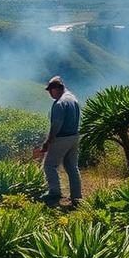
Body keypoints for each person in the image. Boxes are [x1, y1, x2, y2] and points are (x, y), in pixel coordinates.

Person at [33, 75, 82, 206]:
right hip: (75, 136)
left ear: (58, 88)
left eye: (51, 89)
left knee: (49, 165)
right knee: (72, 167)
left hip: (62, 138)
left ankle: (54, 193)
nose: (49, 93)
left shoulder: (60, 103)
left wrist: (48, 142)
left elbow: (56, 125)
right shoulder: (73, 98)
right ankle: (77, 197)